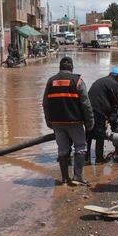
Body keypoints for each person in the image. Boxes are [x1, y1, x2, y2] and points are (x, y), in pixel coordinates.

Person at [43, 57, 94, 186]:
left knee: (62, 150)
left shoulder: (50, 82)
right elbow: (86, 104)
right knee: (80, 147)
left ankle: (64, 178)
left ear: (59, 68)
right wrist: (90, 122)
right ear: (71, 67)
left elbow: (45, 104)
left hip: (57, 123)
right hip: (75, 122)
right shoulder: (77, 81)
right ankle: (77, 176)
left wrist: (49, 121)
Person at [86, 67, 118, 164]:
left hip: (87, 109)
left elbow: (112, 103)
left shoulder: (102, 81)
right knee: (100, 134)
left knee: (89, 134)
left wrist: (110, 118)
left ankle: (85, 158)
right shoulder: (113, 83)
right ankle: (99, 159)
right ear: (117, 78)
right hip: (98, 110)